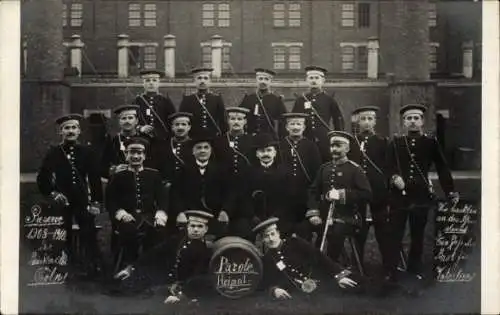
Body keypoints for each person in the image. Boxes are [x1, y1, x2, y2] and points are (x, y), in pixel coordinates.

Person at [387, 104, 459, 280]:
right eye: (409, 118)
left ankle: (414, 269)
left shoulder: (430, 142)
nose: (412, 122)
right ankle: (392, 269)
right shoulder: (396, 142)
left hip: (421, 194)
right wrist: (394, 177)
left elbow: (442, 168)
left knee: (417, 234)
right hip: (399, 195)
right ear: (403, 122)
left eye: (416, 118)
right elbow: (386, 166)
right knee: (395, 232)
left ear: (422, 122)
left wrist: (450, 191)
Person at [36, 114, 103, 276]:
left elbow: (94, 178)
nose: (70, 131)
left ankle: (93, 265)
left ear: (79, 131)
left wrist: (95, 202)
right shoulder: (54, 152)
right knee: (60, 233)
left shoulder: (87, 152)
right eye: (67, 128)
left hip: (82, 200)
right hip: (62, 201)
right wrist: (52, 193)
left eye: (74, 128)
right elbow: (43, 177)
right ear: (61, 132)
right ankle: (63, 266)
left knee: (88, 231)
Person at [299, 131, 372, 264]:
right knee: (303, 228)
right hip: (324, 214)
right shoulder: (324, 168)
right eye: (332, 146)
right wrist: (314, 213)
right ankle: (308, 263)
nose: (334, 149)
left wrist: (342, 194)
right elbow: (313, 191)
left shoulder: (355, 169)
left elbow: (366, 194)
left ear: (347, 148)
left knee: (335, 232)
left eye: (338, 146)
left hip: (348, 217)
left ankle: (330, 267)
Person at [114, 210, 214, 304]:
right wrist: (131, 268)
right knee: (126, 286)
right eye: (192, 226)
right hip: (163, 278)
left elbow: (197, 276)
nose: (196, 230)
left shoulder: (204, 251)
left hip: (177, 285)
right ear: (187, 227)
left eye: (200, 226)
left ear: (206, 229)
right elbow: (153, 253)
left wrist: (182, 294)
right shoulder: (177, 239)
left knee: (149, 300)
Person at [254, 217, 359, 300]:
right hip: (308, 291)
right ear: (263, 240)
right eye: (266, 236)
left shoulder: (295, 243)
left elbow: (320, 257)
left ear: (278, 233)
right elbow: (265, 283)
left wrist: (338, 276)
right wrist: (274, 290)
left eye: (272, 234)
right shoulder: (267, 259)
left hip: (325, 279)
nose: (271, 239)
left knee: (358, 284)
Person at [105, 137, 169, 271]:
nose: (135, 156)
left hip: (149, 216)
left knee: (159, 233)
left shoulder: (154, 175)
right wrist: (122, 215)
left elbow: (162, 198)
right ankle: (129, 269)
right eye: (132, 153)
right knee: (129, 234)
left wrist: (160, 214)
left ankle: (153, 269)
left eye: (139, 153)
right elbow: (111, 201)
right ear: (126, 155)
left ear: (144, 156)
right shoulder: (118, 176)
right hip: (129, 217)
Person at [349, 106, 391, 275]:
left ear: (375, 121)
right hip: (358, 193)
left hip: (377, 193)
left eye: (370, 119)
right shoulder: (352, 142)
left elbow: (388, 167)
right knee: (359, 229)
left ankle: (388, 266)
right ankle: (357, 265)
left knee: (382, 230)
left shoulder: (383, 141)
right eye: (363, 119)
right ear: (358, 121)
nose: (366, 122)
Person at [173, 136, 230, 238]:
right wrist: (180, 212)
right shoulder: (184, 170)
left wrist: (225, 210)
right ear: (193, 151)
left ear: (211, 150)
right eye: (199, 148)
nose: (202, 151)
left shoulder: (221, 170)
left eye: (206, 147)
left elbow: (230, 193)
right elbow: (176, 193)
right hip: (190, 215)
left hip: (215, 215)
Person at [213, 107, 255, 239]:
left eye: (239, 119)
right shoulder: (219, 141)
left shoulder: (252, 140)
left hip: (246, 191)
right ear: (228, 121)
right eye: (232, 119)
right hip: (224, 191)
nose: (236, 122)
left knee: (244, 230)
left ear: (245, 121)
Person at [279, 113, 322, 233]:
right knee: (285, 230)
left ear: (304, 127)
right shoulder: (280, 145)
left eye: (299, 124)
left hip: (305, 196)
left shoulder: (311, 146)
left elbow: (317, 173)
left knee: (303, 231)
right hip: (285, 196)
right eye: (292, 124)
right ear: (287, 127)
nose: (295, 127)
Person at [292, 66, 345, 162]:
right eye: (311, 78)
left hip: (324, 139)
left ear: (323, 80)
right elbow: (293, 119)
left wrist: (338, 138)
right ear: (306, 80)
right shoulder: (300, 100)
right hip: (305, 139)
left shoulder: (329, 100)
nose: (314, 81)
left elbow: (338, 119)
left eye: (317, 78)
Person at [247, 133, 290, 235]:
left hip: (278, 216)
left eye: (269, 150)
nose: (265, 154)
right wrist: (252, 215)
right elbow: (244, 196)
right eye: (262, 151)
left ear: (275, 153)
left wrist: (277, 215)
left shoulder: (284, 172)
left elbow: (288, 198)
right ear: (257, 154)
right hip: (254, 216)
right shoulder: (249, 172)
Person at [101, 104, 153, 179]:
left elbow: (153, 163)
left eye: (130, 118)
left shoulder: (146, 140)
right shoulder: (112, 141)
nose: (127, 121)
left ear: (136, 121)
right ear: (119, 122)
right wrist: (114, 170)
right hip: (121, 180)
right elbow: (103, 167)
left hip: (142, 180)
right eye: (123, 118)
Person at [179, 67, 227, 138]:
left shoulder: (216, 99)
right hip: (193, 138)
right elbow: (182, 120)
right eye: (199, 78)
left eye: (205, 78)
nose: (202, 81)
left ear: (210, 81)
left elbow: (223, 121)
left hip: (213, 137)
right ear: (194, 81)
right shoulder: (187, 99)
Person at [239, 68, 287, 138]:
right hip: (251, 137)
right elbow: (240, 117)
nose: (263, 82)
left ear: (270, 81)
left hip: (270, 139)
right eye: (260, 79)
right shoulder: (248, 99)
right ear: (256, 80)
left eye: (266, 79)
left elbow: (283, 122)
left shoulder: (276, 100)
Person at [133, 69, 176, 142]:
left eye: (154, 80)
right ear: (143, 83)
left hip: (163, 140)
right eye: (147, 80)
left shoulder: (165, 101)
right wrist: (140, 128)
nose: (151, 83)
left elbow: (173, 121)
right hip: (143, 140)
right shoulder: (137, 101)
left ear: (159, 83)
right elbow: (132, 121)